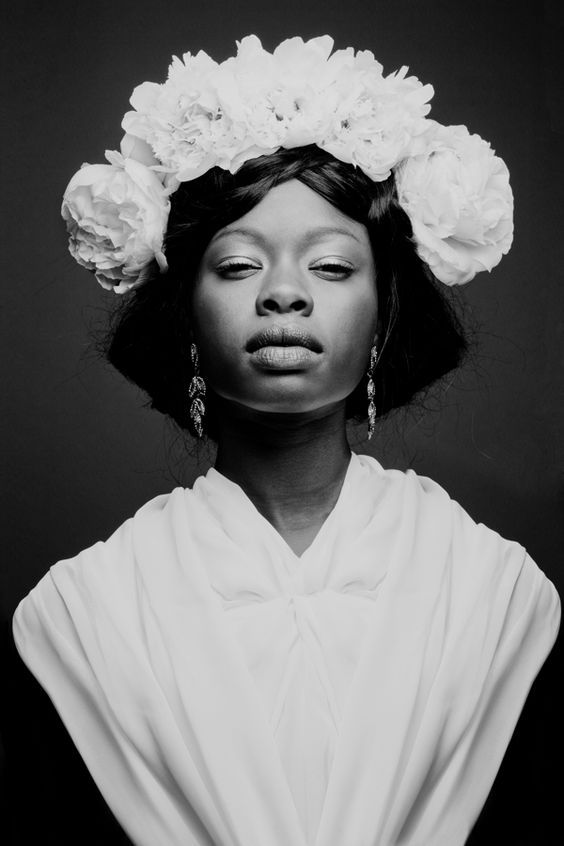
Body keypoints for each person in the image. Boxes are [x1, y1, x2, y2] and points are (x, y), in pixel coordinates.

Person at [6, 34, 560, 846]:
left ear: (384, 314)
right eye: (237, 266)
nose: (285, 295)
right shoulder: (87, 614)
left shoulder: (491, 594)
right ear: (187, 316)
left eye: (333, 267)